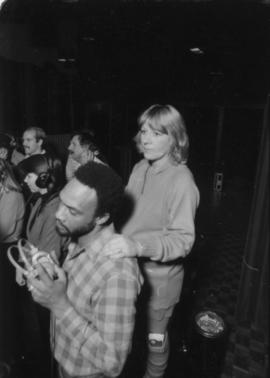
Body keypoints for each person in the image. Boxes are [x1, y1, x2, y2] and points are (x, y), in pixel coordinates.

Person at [103, 104, 200, 378]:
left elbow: (183, 241)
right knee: (131, 336)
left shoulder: (182, 180)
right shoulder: (139, 167)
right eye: (144, 131)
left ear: (175, 139)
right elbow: (126, 211)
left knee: (155, 341)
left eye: (157, 133)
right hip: (130, 274)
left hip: (160, 283)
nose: (146, 138)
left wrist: (138, 246)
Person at [27, 161, 142, 378]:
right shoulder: (80, 237)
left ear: (102, 217)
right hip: (64, 364)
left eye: (72, 210)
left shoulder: (118, 274)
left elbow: (112, 363)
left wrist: (59, 305)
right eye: (61, 202)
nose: (59, 214)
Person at [0, 158, 25, 364]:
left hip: (7, 253)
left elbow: (5, 229)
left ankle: (8, 357)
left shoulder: (12, 196)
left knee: (6, 307)